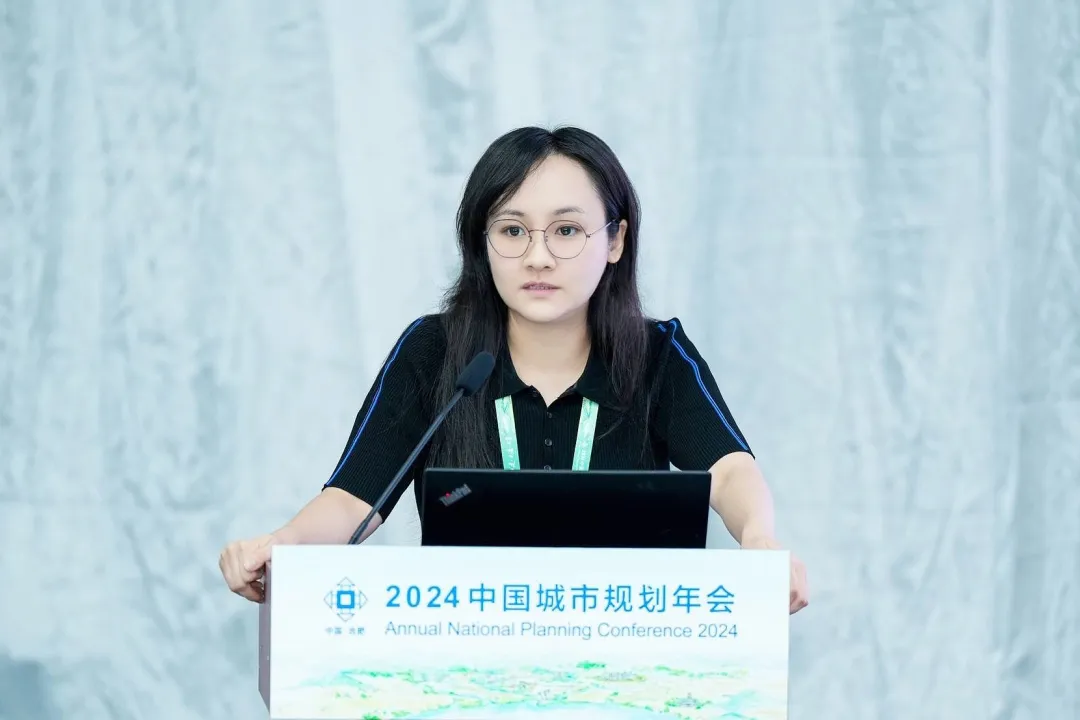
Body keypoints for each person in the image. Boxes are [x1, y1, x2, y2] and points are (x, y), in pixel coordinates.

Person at [219, 126, 809, 614]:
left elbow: (729, 470)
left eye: (567, 230)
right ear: (482, 242)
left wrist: (759, 538)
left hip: (625, 653)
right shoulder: (433, 352)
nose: (538, 257)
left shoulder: (658, 355)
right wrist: (281, 544)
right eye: (512, 230)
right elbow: (354, 500)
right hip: (466, 654)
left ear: (615, 241)